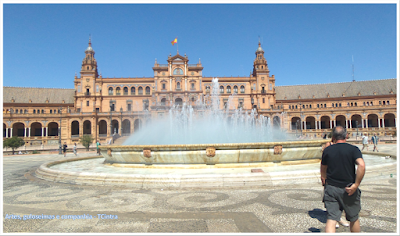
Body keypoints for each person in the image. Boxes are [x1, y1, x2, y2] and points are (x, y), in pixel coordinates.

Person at [321, 126, 366, 233]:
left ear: (333, 136)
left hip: (331, 188)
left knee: (331, 219)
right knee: (354, 218)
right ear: (346, 135)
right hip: (349, 188)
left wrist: (325, 181)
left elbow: (323, 169)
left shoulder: (327, 150)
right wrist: (356, 184)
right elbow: (361, 165)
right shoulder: (353, 149)